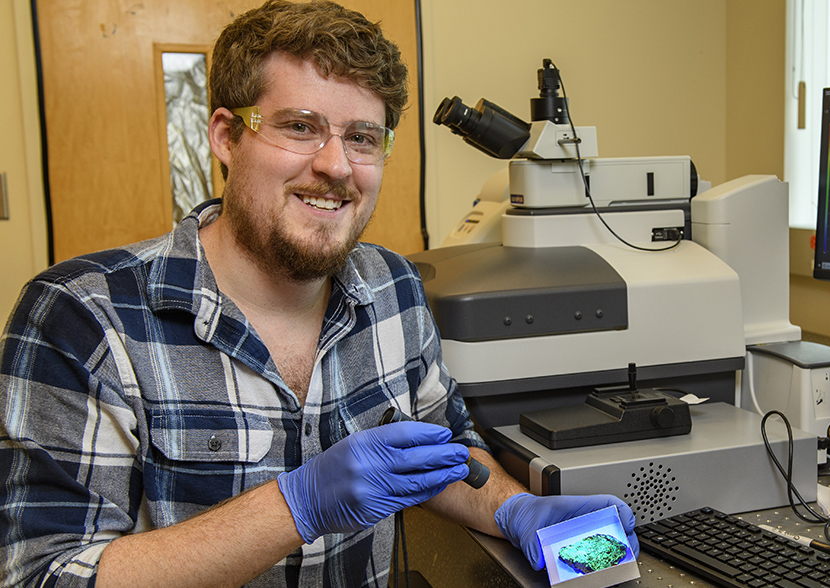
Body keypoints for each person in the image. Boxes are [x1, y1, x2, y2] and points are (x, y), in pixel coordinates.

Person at [0, 1, 636, 586]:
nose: (335, 165)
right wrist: (296, 506)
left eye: (362, 138)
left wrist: (518, 510)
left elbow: (448, 455)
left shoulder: (394, 289)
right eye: (300, 126)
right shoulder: (82, 318)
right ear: (226, 136)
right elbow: (45, 575)